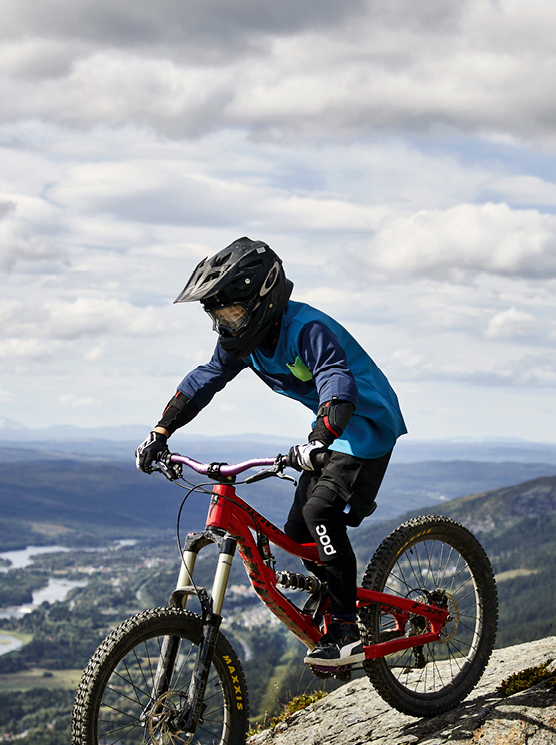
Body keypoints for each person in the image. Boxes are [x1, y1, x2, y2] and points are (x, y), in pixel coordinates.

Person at [134, 237, 408, 668]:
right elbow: (205, 379)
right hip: (329, 435)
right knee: (298, 531)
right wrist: (160, 430)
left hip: (365, 430)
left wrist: (319, 438)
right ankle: (338, 597)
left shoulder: (306, 328)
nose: (226, 324)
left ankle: (345, 628)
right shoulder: (244, 342)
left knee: (321, 516)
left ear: (263, 299)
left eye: (233, 312)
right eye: (217, 316)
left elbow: (337, 381)